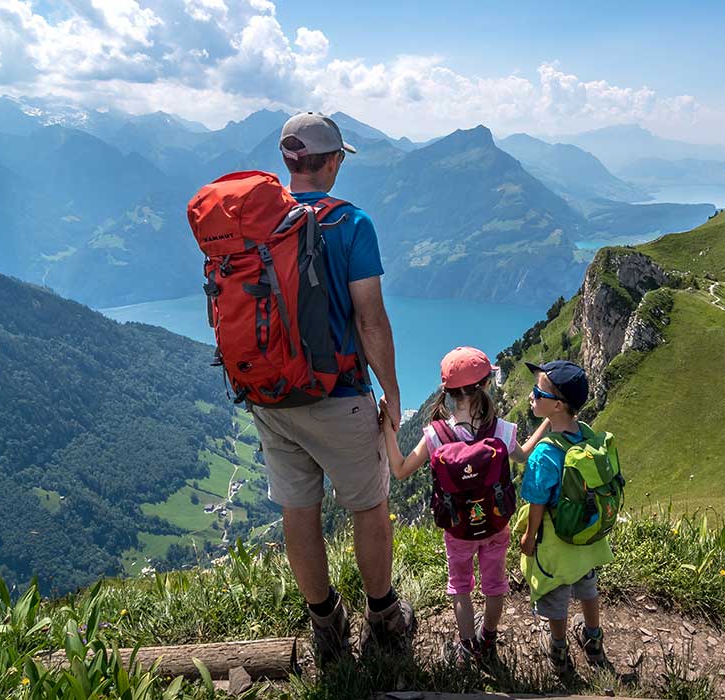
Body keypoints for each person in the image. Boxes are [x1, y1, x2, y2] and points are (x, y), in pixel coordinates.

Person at [247, 112, 412, 665]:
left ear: (288, 161)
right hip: (338, 394)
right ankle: (383, 617)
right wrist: (391, 391)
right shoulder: (351, 223)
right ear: (335, 161)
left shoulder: (258, 222)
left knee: (299, 509)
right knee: (369, 506)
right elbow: (370, 319)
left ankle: (326, 625)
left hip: (271, 395)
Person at [382, 347, 549, 662]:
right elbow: (524, 455)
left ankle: (468, 646)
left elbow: (401, 469)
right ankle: (488, 639)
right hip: (496, 523)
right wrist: (547, 423)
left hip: (458, 529)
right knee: (495, 585)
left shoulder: (436, 435)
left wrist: (387, 430)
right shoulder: (501, 429)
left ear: (447, 392)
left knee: (460, 587)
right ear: (485, 385)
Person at [517, 360, 614, 674]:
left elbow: (536, 502)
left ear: (557, 405)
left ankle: (558, 650)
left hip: (557, 542)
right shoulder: (586, 433)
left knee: (555, 595)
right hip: (587, 536)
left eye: (537, 392)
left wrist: (529, 536)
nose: (531, 396)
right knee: (588, 586)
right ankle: (593, 639)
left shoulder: (544, 453)